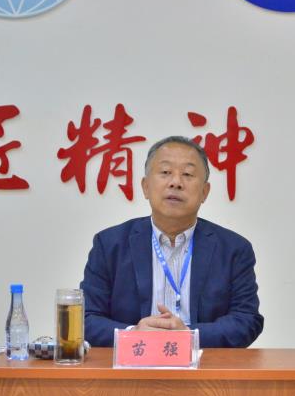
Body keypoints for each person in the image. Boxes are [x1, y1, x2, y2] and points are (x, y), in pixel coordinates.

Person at [81, 136, 264, 348]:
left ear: (204, 192)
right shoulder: (110, 245)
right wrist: (132, 334)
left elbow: (246, 320)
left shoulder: (233, 249)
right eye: (165, 172)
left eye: (187, 174)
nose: (176, 182)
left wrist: (189, 336)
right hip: (133, 363)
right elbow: (86, 318)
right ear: (146, 187)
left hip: (205, 366)